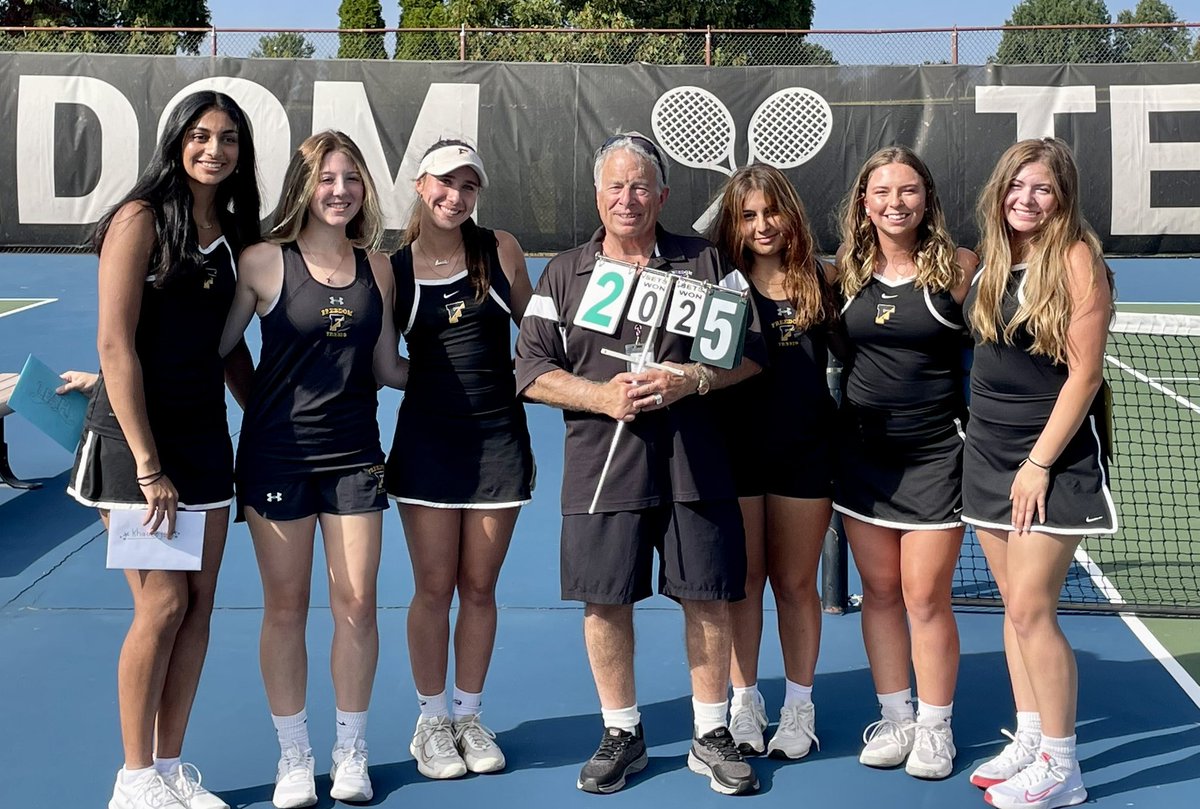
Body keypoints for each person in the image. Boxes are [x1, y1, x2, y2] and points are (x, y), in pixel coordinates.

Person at [515, 132, 766, 796]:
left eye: (640, 186)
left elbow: (753, 350)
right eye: (615, 186)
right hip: (603, 467)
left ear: (662, 194)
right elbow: (531, 369)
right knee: (605, 600)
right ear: (598, 195)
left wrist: (694, 380)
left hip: (695, 463)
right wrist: (597, 394)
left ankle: (710, 733)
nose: (628, 198)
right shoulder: (565, 272)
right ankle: (622, 731)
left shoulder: (707, 261)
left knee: (707, 595)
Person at [65, 90, 261, 809]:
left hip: (207, 436)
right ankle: (133, 776)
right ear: (176, 141)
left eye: (230, 139)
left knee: (200, 605)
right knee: (163, 604)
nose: (215, 149)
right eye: (202, 136)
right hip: (136, 444)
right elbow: (115, 344)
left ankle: (171, 767)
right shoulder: (140, 218)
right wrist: (148, 465)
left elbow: (227, 349)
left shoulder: (238, 235)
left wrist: (272, 416)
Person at [219, 130, 405, 809]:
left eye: (351, 177)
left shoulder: (379, 268)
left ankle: (350, 750)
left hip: (356, 456)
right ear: (305, 187)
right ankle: (293, 756)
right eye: (328, 177)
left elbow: (387, 367)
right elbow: (217, 347)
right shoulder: (263, 262)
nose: (340, 189)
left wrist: (462, 380)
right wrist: (257, 404)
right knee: (287, 607)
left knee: (357, 602)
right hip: (277, 459)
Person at [962, 138, 1113, 809]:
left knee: (1031, 607)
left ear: (1063, 197)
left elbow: (1084, 376)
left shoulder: (1078, 258)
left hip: (1048, 459)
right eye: (1016, 185)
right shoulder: (998, 257)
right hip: (988, 451)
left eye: (1042, 189)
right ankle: (1029, 737)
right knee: (1013, 609)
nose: (1026, 199)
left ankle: (1062, 765)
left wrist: (1038, 464)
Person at [386, 139, 535, 779]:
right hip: (427, 445)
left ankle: (469, 717)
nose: (456, 197)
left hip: (499, 443)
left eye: (469, 186)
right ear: (421, 186)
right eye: (445, 184)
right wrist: (435, 386)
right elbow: (380, 363)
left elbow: (540, 335)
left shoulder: (500, 250)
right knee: (432, 587)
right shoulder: (390, 268)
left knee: (479, 587)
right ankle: (431, 721)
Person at [834, 145, 978, 780]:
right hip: (863, 458)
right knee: (882, 594)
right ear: (864, 204)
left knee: (925, 596)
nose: (896, 203)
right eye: (883, 192)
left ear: (927, 199)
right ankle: (897, 717)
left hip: (936, 455)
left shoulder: (960, 270)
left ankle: (936, 727)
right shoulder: (844, 273)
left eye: (909, 191)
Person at [706, 164, 838, 760]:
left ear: (791, 215)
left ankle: (798, 706)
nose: (762, 225)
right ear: (734, 223)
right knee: (744, 584)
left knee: (794, 583)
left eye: (771, 212)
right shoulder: (716, 285)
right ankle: (745, 701)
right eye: (748, 215)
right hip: (733, 455)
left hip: (804, 458)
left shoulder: (823, 282)